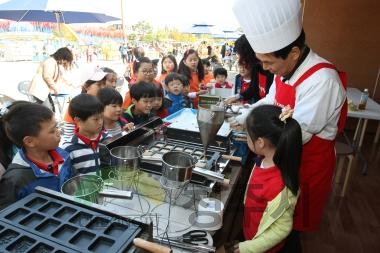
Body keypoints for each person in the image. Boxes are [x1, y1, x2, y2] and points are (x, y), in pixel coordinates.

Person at [232, 0, 347, 247]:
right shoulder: (283, 70)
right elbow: (271, 99)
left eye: (268, 62)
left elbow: (299, 132)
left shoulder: (322, 80)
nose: (265, 68)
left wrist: (255, 133)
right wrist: (245, 117)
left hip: (306, 164)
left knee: (287, 228)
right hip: (278, 157)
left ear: (294, 53)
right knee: (267, 221)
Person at [231, 104, 302, 253]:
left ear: (261, 143)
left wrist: (249, 248)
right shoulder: (263, 159)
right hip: (252, 231)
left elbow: (280, 229)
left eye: (247, 135)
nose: (246, 138)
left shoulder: (281, 187)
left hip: (263, 248)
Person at [0, 103, 73, 209]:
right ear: (30, 141)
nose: (59, 132)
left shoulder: (63, 155)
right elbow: (7, 216)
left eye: (57, 127)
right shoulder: (16, 180)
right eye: (52, 131)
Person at [61, 94, 109, 175]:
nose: (101, 122)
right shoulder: (69, 148)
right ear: (78, 120)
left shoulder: (107, 138)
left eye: (102, 117)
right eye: (96, 119)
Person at [61, 67, 108, 143]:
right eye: (99, 85)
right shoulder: (75, 104)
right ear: (86, 86)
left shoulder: (104, 102)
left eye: (104, 84)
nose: (103, 88)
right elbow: (68, 135)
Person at [226, 34, 274, 105]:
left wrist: (248, 107)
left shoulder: (272, 71)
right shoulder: (256, 67)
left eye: (240, 55)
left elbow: (270, 99)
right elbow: (253, 89)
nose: (240, 59)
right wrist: (238, 97)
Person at [29, 47, 73, 112]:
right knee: (47, 111)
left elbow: (61, 76)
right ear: (61, 56)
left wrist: (71, 84)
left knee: (49, 110)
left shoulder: (54, 62)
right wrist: (55, 89)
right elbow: (47, 76)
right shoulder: (50, 61)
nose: (63, 62)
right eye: (64, 60)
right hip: (39, 90)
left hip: (43, 90)